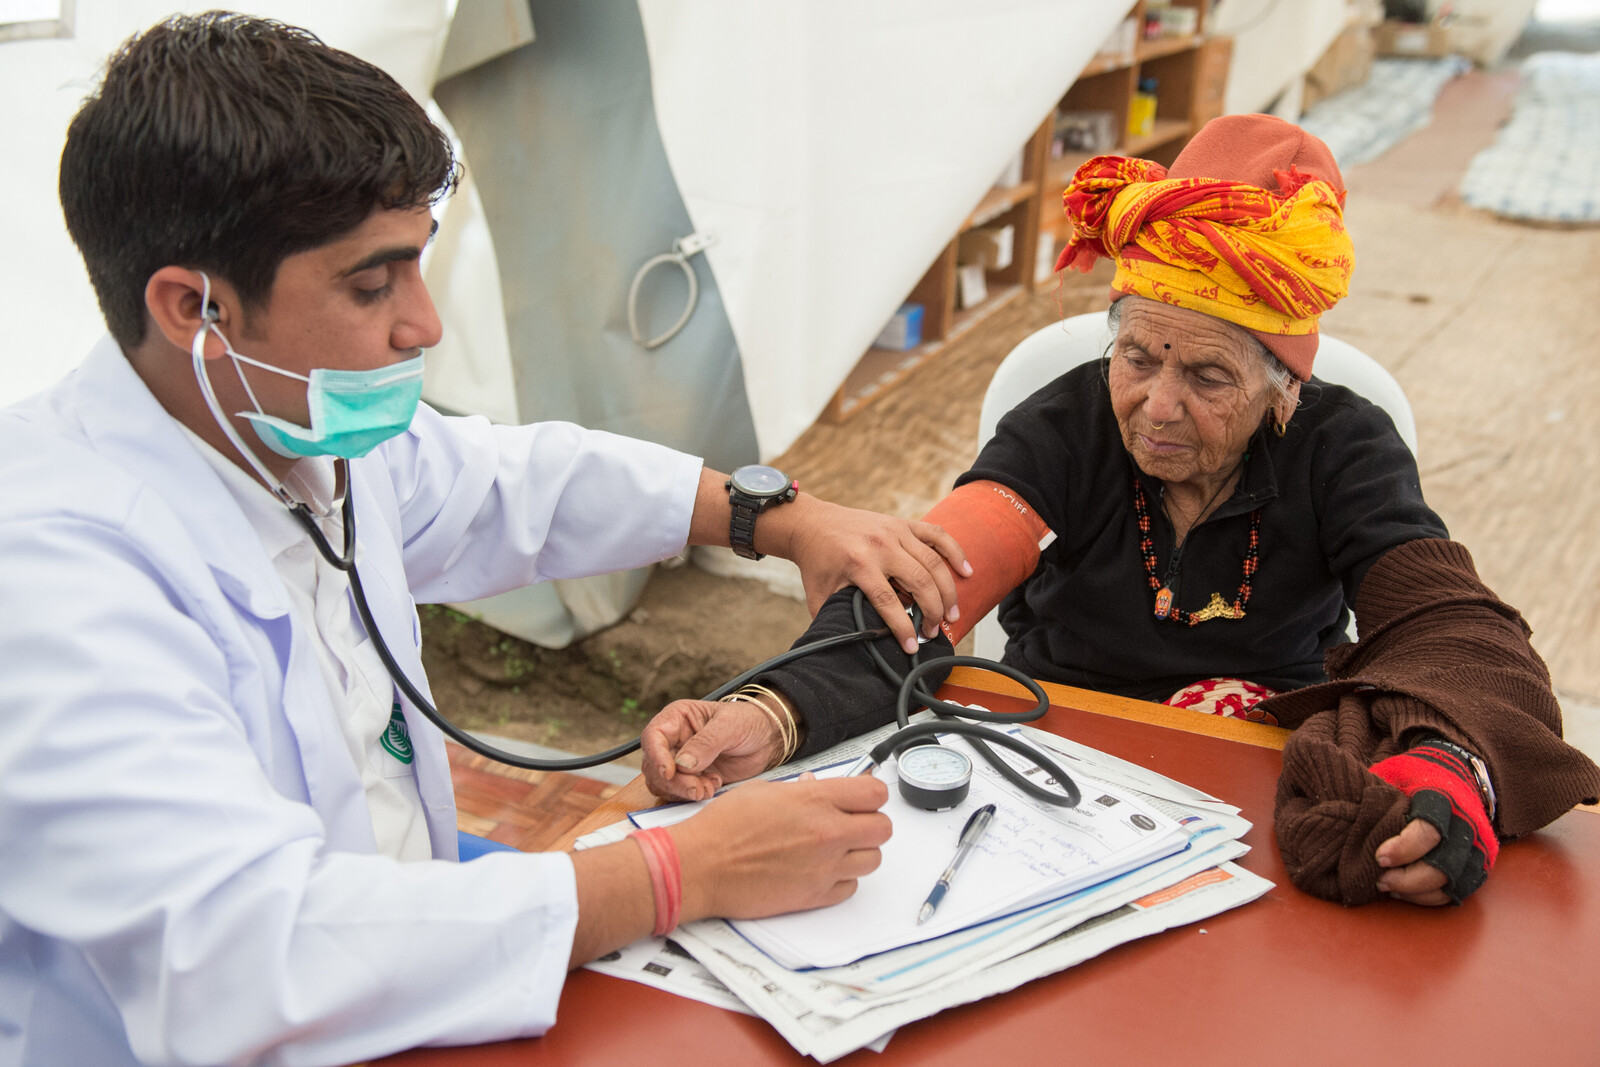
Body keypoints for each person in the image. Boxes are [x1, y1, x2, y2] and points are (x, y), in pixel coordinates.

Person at [0, 13, 980, 1065]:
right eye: (372, 284)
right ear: (196, 308)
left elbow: (516, 484)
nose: (422, 323)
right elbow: (243, 956)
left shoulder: (286, 428)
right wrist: (670, 871)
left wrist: (775, 516)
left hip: (398, 935)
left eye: (419, 268)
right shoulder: (54, 580)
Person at [644, 115, 1600, 910]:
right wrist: (772, 711)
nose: (1157, 404)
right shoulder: (1065, 424)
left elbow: (1448, 624)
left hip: (1255, 770)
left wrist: (1447, 767)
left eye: (1208, 374)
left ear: (1282, 388)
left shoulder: (1343, 447)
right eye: (1138, 356)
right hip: (1048, 754)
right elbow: (922, 585)